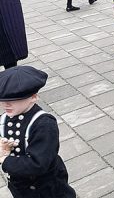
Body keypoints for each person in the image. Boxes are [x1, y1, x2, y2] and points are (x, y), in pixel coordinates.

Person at [0, 66, 76, 197]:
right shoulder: (4, 119)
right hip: (21, 187)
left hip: (47, 188)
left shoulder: (44, 124)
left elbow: (38, 164)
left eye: (13, 100)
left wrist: (4, 159)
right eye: (2, 100)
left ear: (33, 97)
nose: (6, 105)